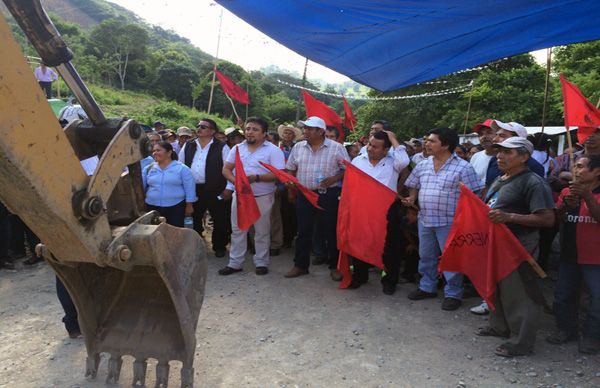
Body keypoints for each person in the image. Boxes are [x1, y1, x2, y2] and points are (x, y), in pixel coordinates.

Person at [476, 137, 555, 357]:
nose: (500, 156)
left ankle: (521, 342)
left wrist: (509, 216)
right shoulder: (501, 178)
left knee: (520, 293)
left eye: (507, 153)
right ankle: (499, 326)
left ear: (524, 157)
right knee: (499, 288)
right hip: (497, 244)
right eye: (499, 151)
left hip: (519, 246)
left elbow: (547, 219)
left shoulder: (533, 182)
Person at [403, 127, 483, 311]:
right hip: (425, 219)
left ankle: (453, 293)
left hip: (451, 222)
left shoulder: (463, 167)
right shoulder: (423, 164)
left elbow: (475, 194)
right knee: (426, 256)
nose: (427, 144)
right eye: (427, 140)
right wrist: (413, 197)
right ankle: (427, 287)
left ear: (445, 145)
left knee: (451, 259)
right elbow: (413, 184)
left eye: (432, 141)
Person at [284, 116, 350, 280]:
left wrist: (333, 180)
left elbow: (347, 169)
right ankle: (300, 265)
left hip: (328, 195)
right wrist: (290, 183)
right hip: (304, 194)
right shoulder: (298, 147)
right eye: (305, 128)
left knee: (330, 231)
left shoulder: (336, 148)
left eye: (309, 128)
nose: (305, 131)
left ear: (320, 131)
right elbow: (290, 169)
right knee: (304, 231)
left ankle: (335, 266)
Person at [547, 154, 600, 354]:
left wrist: (587, 197)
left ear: (597, 171)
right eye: (574, 167)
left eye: (580, 166)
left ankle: (592, 336)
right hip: (570, 254)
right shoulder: (568, 191)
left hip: (595, 257)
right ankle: (565, 329)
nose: (575, 171)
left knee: (597, 299)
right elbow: (556, 220)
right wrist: (564, 206)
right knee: (563, 295)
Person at [219, 117, 286, 276]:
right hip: (241, 196)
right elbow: (226, 169)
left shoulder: (273, 150)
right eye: (248, 129)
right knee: (238, 229)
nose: (250, 132)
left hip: (262, 195)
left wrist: (256, 178)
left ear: (263, 133)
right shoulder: (237, 148)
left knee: (262, 230)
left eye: (255, 129)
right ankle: (235, 263)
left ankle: (261, 262)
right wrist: (236, 181)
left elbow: (279, 174)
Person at [348, 130, 410, 294]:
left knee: (389, 246)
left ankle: (389, 281)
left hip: (387, 209)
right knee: (360, 241)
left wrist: (393, 137)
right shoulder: (357, 161)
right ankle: (360, 276)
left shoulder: (393, 162)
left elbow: (404, 160)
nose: (370, 149)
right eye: (369, 144)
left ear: (386, 150)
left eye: (375, 147)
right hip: (362, 208)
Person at [180, 118, 230, 257]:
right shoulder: (189, 145)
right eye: (198, 126)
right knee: (194, 217)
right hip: (194, 189)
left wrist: (229, 188)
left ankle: (219, 246)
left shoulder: (221, 147)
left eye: (203, 126)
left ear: (212, 131)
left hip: (216, 188)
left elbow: (230, 168)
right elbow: (181, 166)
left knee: (220, 218)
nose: (199, 128)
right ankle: (196, 245)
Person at [142, 141, 196, 227]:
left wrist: (189, 206)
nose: (155, 153)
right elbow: (142, 187)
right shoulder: (148, 168)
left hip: (175, 207)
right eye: (154, 151)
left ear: (169, 152)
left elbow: (190, 188)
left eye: (158, 150)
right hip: (152, 207)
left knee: (175, 232)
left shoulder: (182, 169)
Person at [469, 119, 496, 185]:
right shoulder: (475, 156)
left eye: (489, 132)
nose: (484, 137)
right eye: (480, 134)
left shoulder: (505, 158)